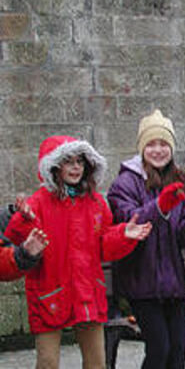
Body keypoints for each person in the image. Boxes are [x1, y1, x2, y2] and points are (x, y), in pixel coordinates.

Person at [3, 135, 152, 369]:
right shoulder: (39, 202)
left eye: (80, 162)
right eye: (68, 161)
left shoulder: (96, 203)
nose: (75, 167)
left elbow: (103, 245)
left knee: (96, 363)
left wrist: (123, 234)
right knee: (48, 362)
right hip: (50, 291)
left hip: (87, 292)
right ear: (54, 166)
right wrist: (23, 220)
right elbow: (18, 241)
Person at [107, 109, 185, 369]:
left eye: (164, 144)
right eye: (151, 144)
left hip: (173, 283)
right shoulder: (125, 183)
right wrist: (158, 207)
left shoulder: (180, 180)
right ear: (141, 147)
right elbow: (128, 219)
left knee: (178, 351)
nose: (158, 150)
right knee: (159, 349)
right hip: (140, 282)